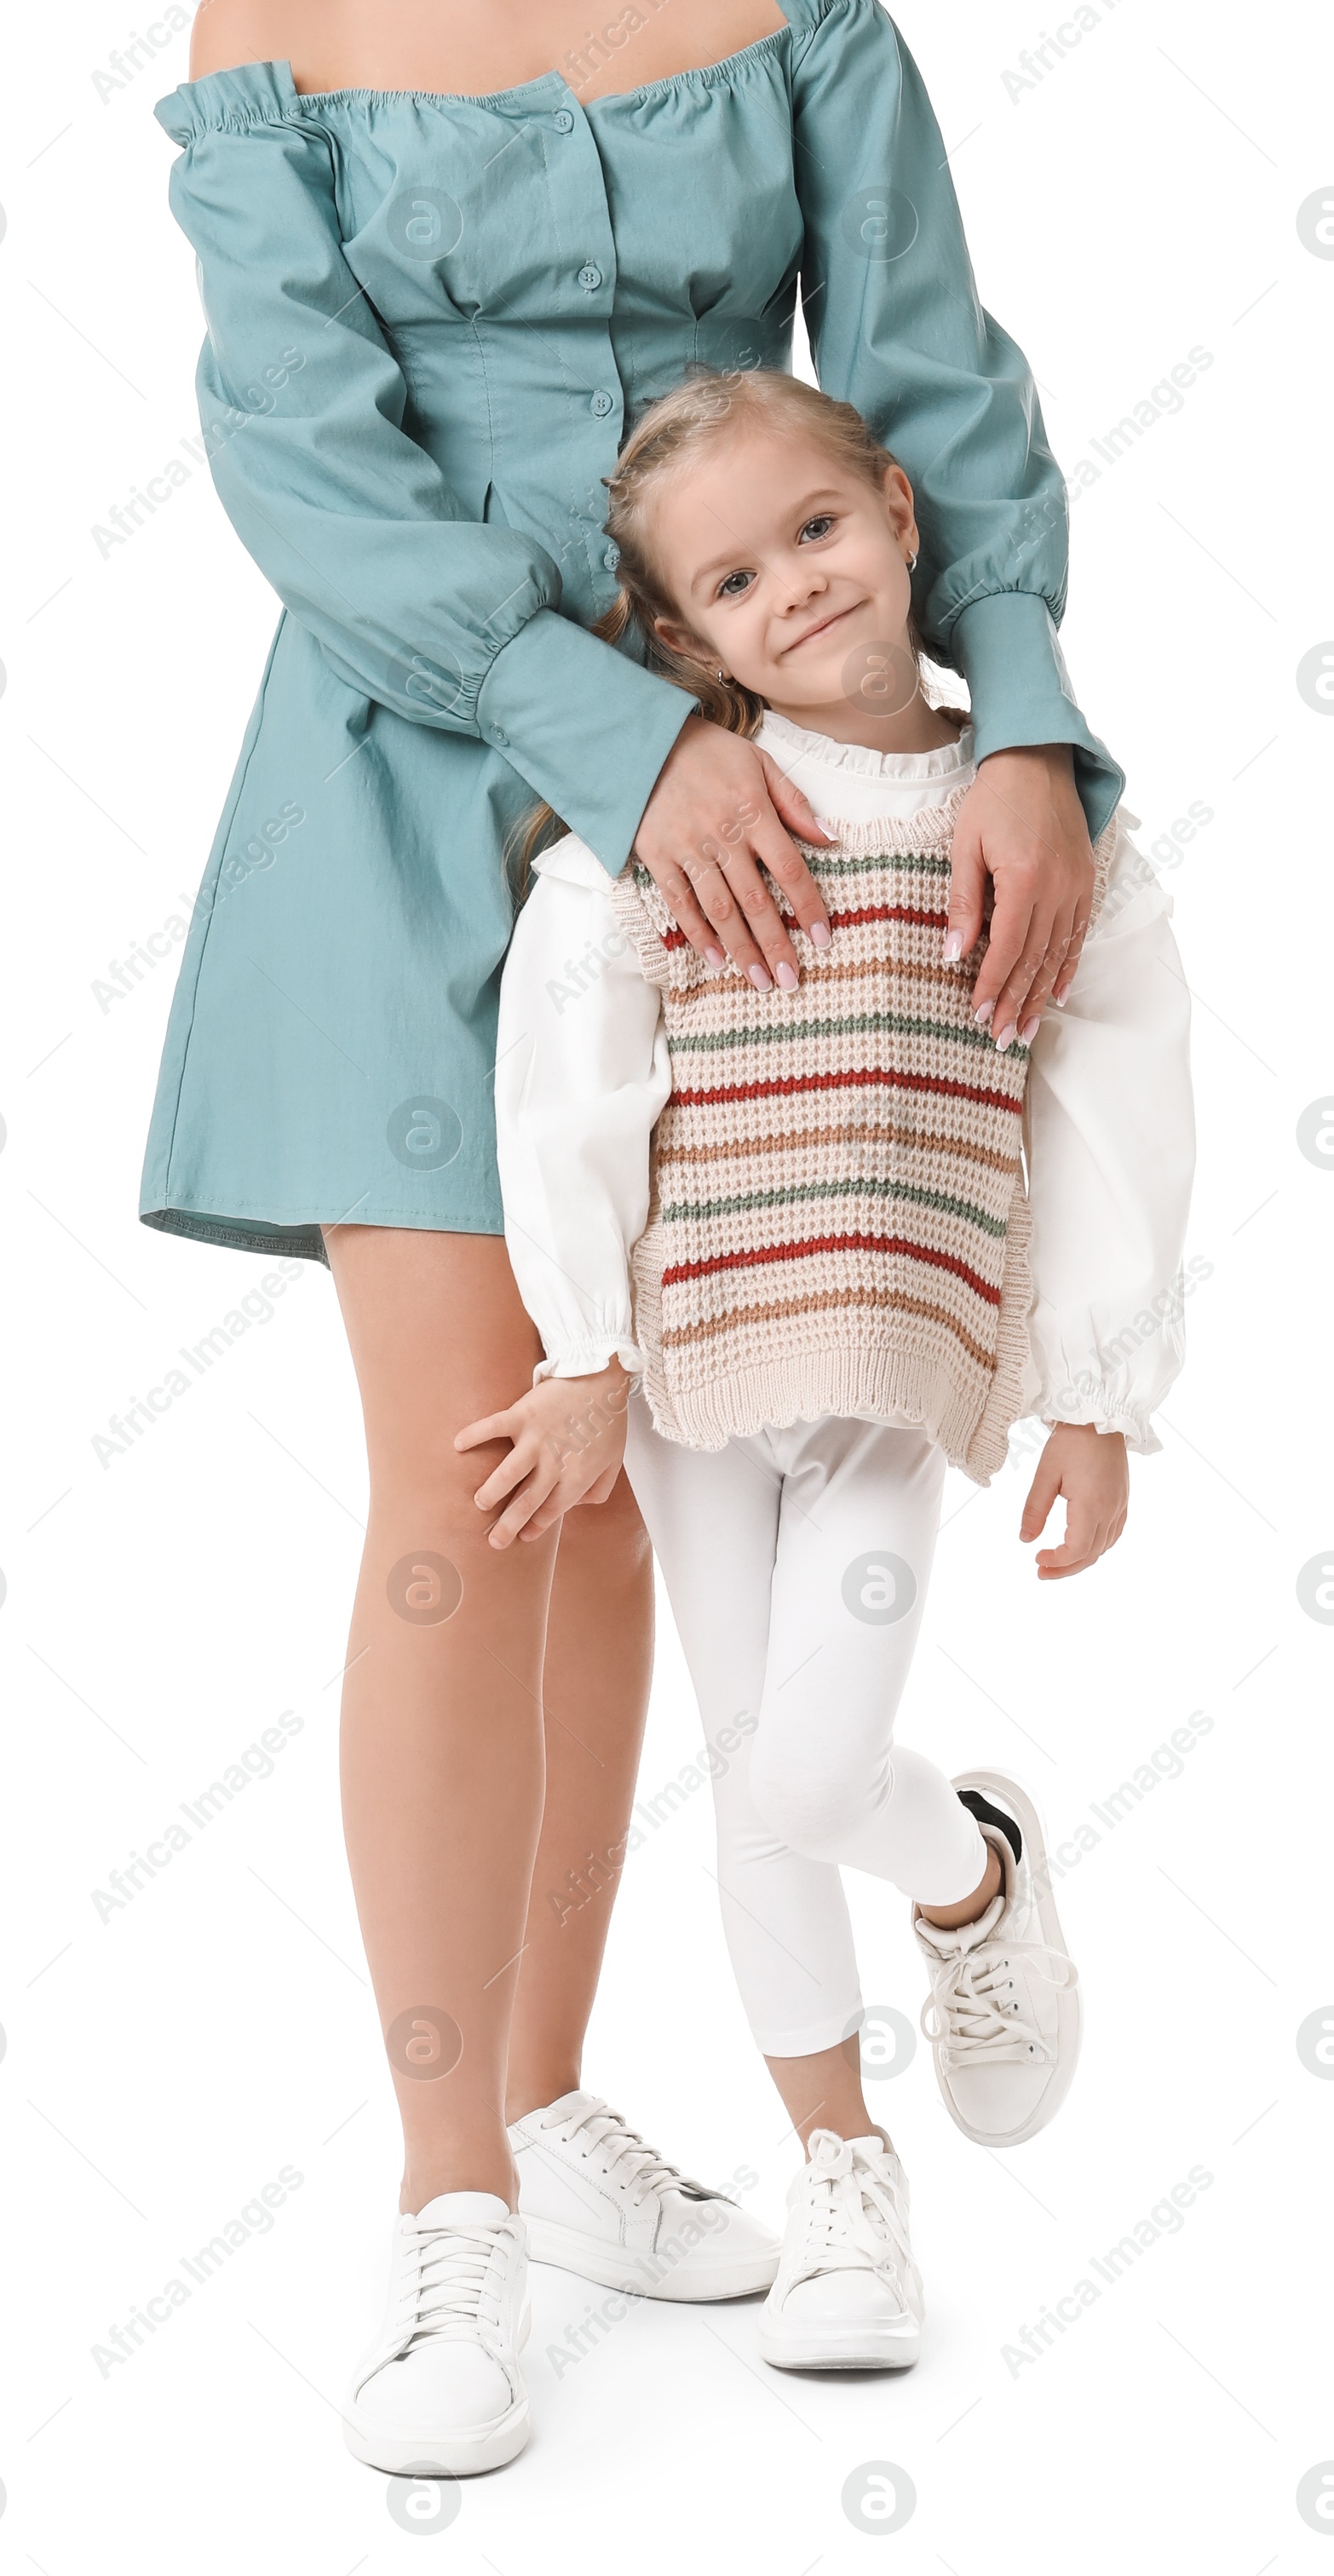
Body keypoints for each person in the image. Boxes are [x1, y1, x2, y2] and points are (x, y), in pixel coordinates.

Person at [141, 0, 1128, 2475]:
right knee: (469, 1509)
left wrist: (1048, 735)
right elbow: (304, 475)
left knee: (652, 1490)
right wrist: (608, 734)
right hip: (413, 811)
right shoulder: (264, 38)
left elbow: (940, 397)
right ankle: (457, 2219)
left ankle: (588, 2092)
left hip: (799, 824)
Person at [480, 365, 1193, 2372]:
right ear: (678, 639)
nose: (790, 588)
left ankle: (968, 1867)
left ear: (894, 508)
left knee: (810, 1770)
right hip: (700, 1367)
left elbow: (1115, 1101)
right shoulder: (676, 834)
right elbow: (575, 1079)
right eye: (729, 579)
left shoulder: (1025, 820)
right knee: (751, 1791)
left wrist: (1094, 1388)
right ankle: (840, 2195)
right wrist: (583, 1350)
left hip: (887, 1366)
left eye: (814, 530)